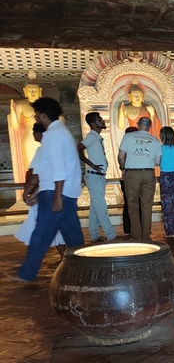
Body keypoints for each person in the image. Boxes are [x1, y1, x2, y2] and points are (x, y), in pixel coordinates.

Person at [14, 97, 85, 283]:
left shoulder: (52, 135)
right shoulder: (61, 133)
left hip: (56, 192)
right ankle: (86, 268)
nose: (35, 116)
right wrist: (38, 193)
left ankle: (27, 273)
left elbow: (58, 168)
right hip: (63, 191)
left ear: (43, 115)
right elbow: (50, 169)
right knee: (72, 235)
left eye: (36, 113)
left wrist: (56, 197)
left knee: (41, 234)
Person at [15, 123, 66, 259]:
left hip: (45, 194)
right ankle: (63, 257)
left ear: (39, 134)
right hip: (57, 192)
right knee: (54, 227)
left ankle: (32, 260)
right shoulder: (57, 150)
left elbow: (36, 175)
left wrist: (27, 193)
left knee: (40, 226)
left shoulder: (42, 150)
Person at [118, 116, 162, 242]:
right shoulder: (155, 140)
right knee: (147, 206)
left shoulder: (128, 137)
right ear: (150, 126)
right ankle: (146, 237)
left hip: (132, 173)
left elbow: (121, 156)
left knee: (132, 206)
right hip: (148, 173)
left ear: (138, 124)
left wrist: (123, 167)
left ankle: (137, 238)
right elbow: (158, 162)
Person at [77, 111, 116, 242]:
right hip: (94, 176)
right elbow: (78, 148)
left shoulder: (96, 137)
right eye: (100, 119)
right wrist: (91, 164)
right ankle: (111, 235)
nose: (103, 121)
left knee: (95, 207)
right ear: (93, 123)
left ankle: (94, 236)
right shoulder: (92, 137)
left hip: (98, 176)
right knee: (101, 207)